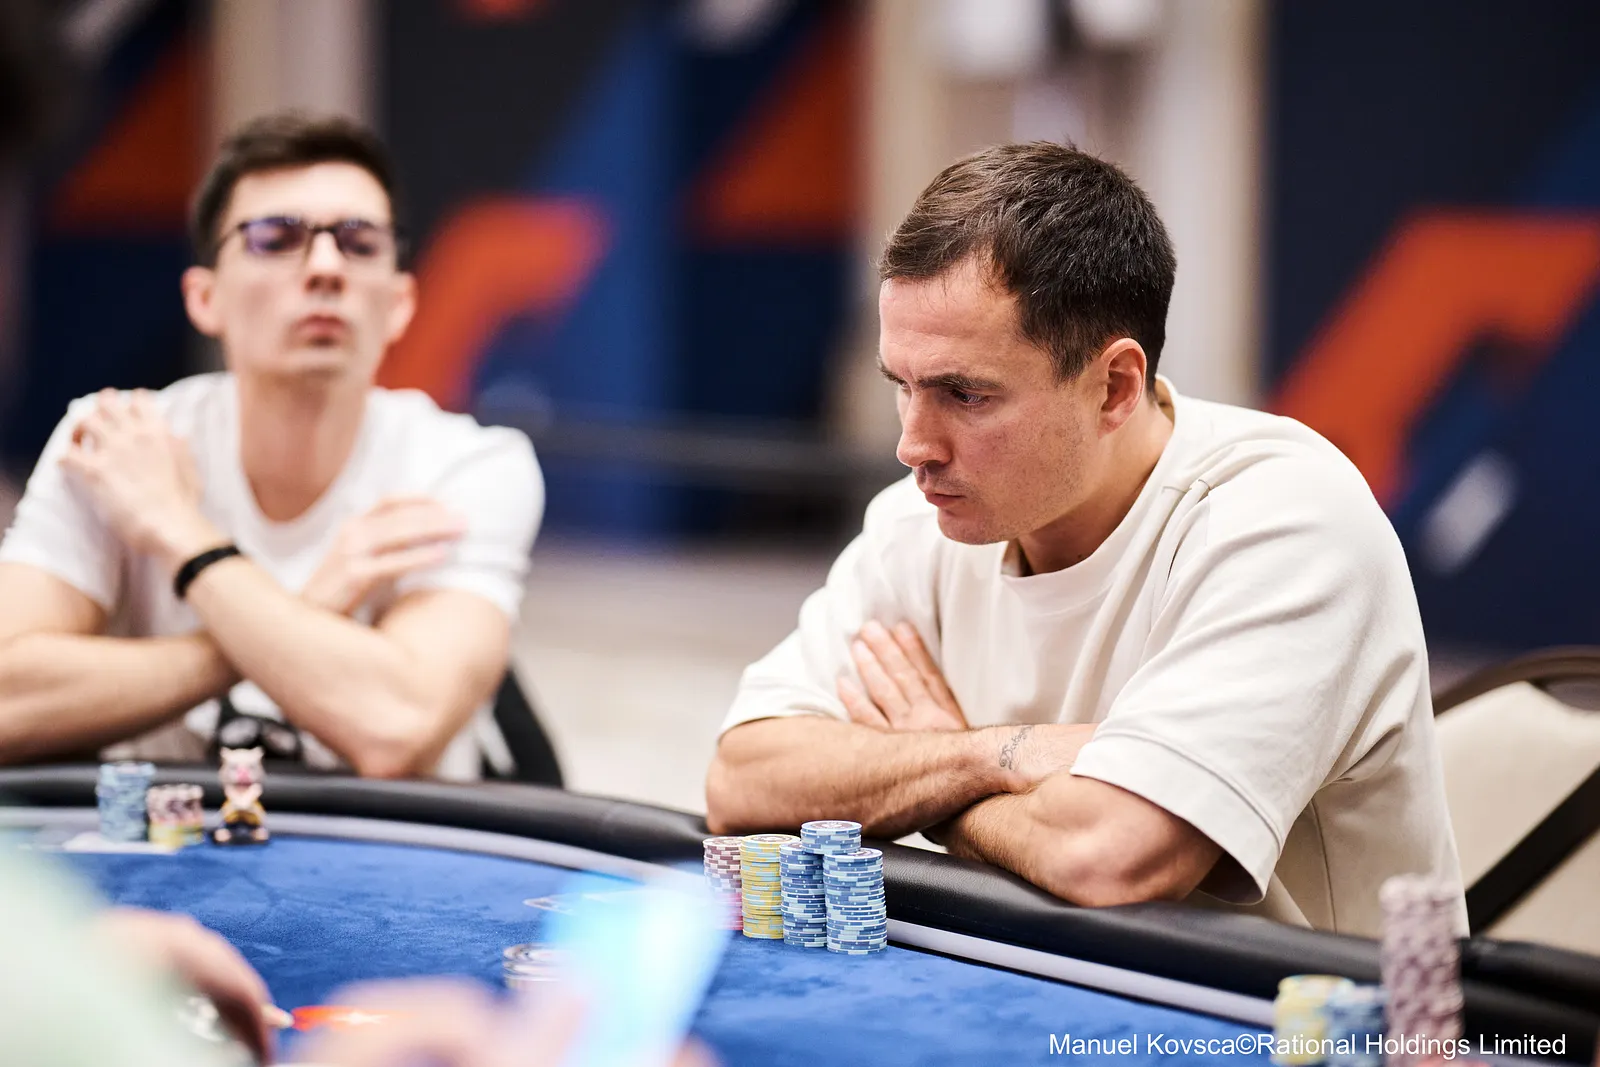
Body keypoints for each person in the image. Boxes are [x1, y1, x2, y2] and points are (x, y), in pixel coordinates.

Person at [705, 141, 1465, 938]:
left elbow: (1110, 857)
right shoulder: (916, 523)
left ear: (1114, 387)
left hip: (1302, 1011)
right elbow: (743, 780)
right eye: (903, 386)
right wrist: (986, 754)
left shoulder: (1287, 522)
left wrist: (922, 768)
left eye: (964, 393)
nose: (912, 445)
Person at [0, 111, 542, 779]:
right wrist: (301, 613)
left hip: (397, 841)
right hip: (163, 842)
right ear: (205, 298)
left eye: (359, 243)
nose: (325, 267)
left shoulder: (468, 465)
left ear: (401, 303)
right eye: (275, 239)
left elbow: (396, 729)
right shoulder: (117, 441)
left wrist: (177, 530)